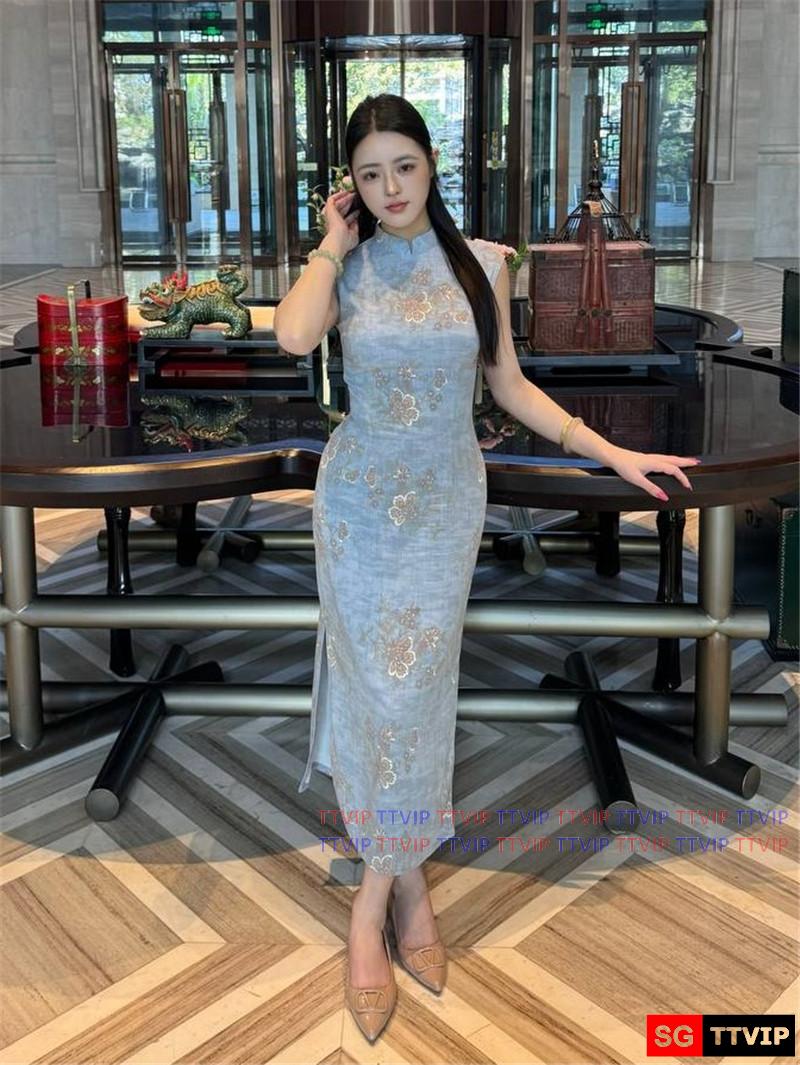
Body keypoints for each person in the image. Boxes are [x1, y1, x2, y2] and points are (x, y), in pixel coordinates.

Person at [273, 93, 700, 1043]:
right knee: (378, 692)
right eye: (370, 173)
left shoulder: (483, 264)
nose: (390, 188)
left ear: (432, 165)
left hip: (444, 508)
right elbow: (294, 337)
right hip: (359, 506)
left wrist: (611, 451)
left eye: (404, 166)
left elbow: (509, 384)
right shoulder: (345, 267)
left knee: (419, 691)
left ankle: (380, 889)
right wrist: (331, 244)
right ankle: (398, 890)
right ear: (351, 183)